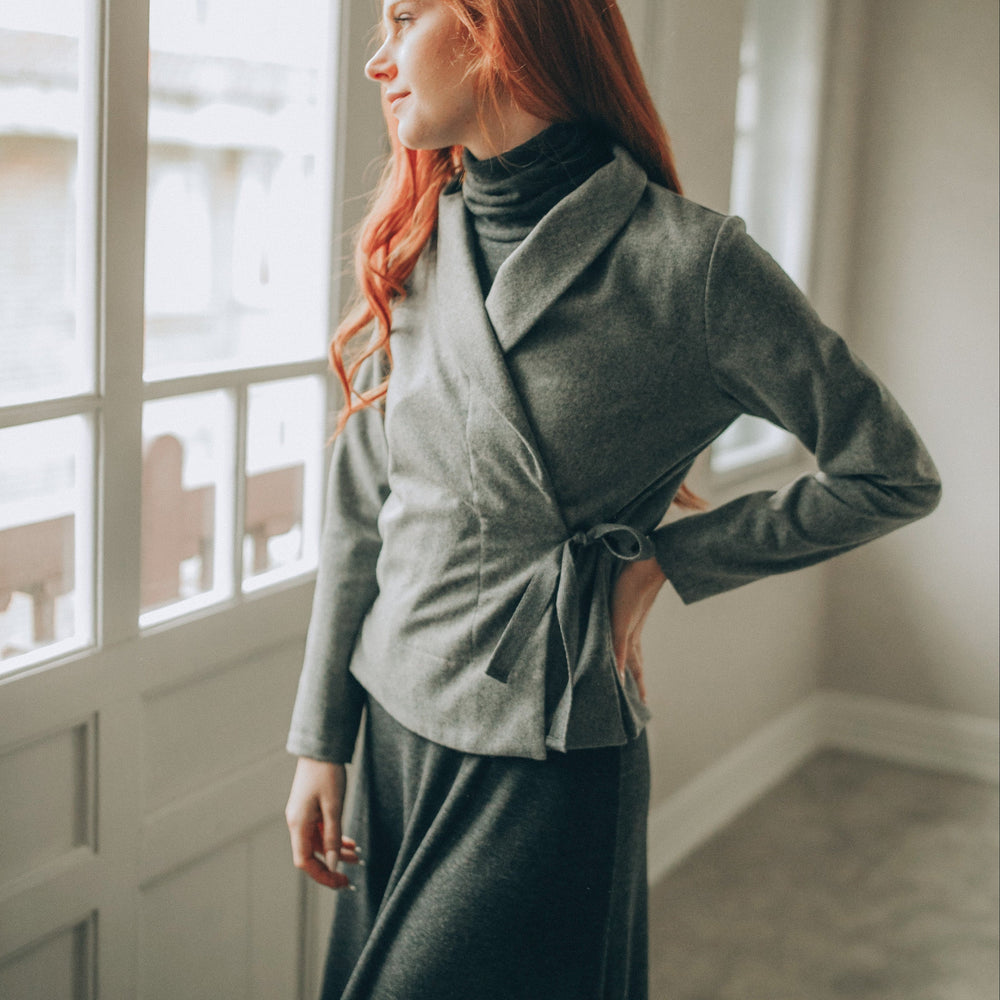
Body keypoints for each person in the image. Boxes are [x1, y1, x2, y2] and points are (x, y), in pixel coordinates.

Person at [284, 2, 941, 997]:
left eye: (405, 17)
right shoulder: (416, 239)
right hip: (392, 729)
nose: (380, 61)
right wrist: (320, 741)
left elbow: (890, 472)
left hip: (543, 751)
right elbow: (357, 516)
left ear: (493, 25)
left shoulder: (691, 264)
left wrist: (668, 559)